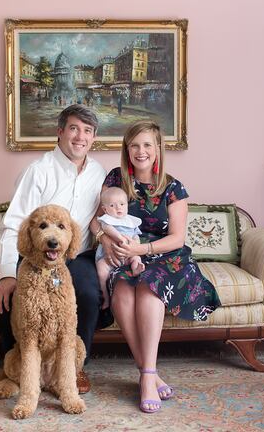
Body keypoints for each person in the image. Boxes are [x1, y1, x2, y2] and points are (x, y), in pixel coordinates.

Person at [96, 120, 221, 413]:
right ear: (127, 149)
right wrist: (106, 238)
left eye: (147, 145)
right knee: (123, 292)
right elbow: (96, 219)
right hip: (126, 253)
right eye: (135, 145)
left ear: (158, 149)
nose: (141, 151)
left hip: (166, 256)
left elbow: (177, 238)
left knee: (149, 289)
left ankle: (146, 376)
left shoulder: (173, 188)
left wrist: (142, 248)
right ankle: (149, 373)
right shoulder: (115, 179)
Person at [0, 104, 109, 394]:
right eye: (74, 128)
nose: (80, 136)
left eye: (87, 131)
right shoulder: (38, 170)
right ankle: (19, 369)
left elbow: (101, 215)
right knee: (8, 301)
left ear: (93, 138)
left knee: (89, 294)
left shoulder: (98, 172)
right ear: (60, 132)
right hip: (36, 254)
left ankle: (74, 370)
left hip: (74, 255)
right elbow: (14, 224)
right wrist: (7, 274)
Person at [95, 186, 145, 310]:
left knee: (136, 258)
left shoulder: (131, 221)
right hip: (109, 256)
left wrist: (136, 246)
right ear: (105, 209)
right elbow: (107, 229)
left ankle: (136, 268)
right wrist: (120, 238)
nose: (118, 208)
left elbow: (136, 236)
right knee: (101, 270)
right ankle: (105, 297)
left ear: (127, 205)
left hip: (128, 254)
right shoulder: (106, 219)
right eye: (112, 205)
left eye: (122, 204)